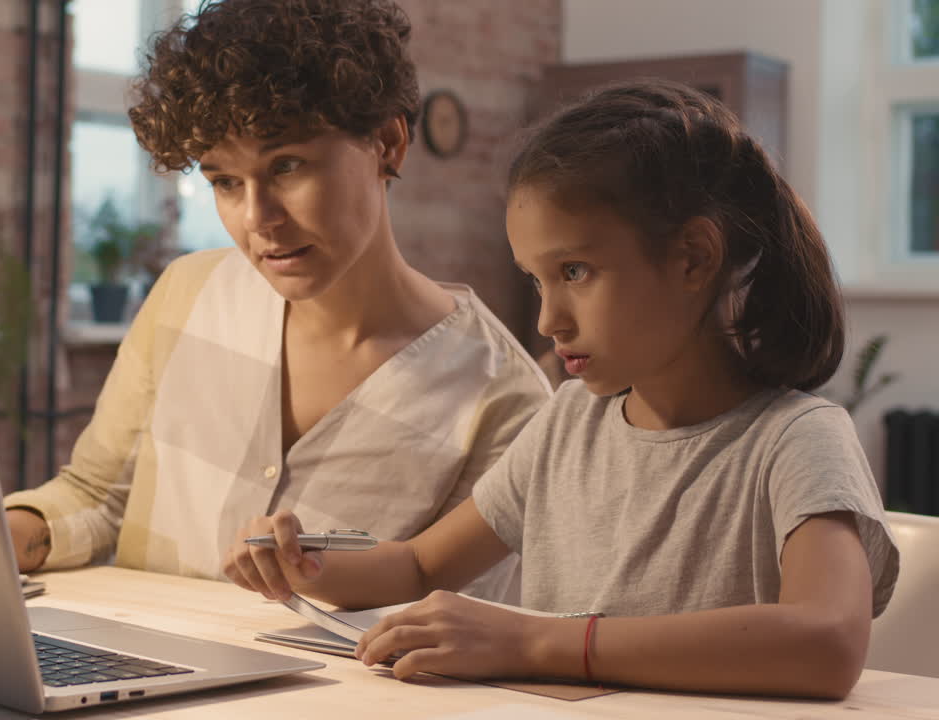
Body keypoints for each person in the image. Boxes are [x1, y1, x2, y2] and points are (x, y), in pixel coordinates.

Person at [224, 79, 899, 699]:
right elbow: (421, 567)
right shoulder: (569, 422)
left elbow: (829, 642)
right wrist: (300, 562)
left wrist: (537, 642)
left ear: (693, 257)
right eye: (537, 281)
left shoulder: (795, 439)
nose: (549, 320)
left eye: (575, 271)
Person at [2, 0, 551, 603]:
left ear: (388, 143)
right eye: (225, 183)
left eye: (286, 166)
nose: (257, 219)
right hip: (124, 685)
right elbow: (97, 496)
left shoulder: (503, 400)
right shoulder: (187, 293)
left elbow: (456, 634)